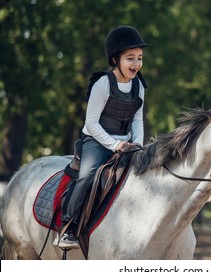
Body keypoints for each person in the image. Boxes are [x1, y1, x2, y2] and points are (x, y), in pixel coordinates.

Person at [54, 25, 148, 249]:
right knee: (88, 176)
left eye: (140, 58)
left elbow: (137, 120)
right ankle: (68, 227)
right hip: (96, 142)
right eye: (130, 58)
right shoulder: (103, 83)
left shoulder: (139, 85)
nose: (136, 64)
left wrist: (139, 145)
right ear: (116, 59)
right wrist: (115, 144)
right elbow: (91, 124)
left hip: (126, 144)